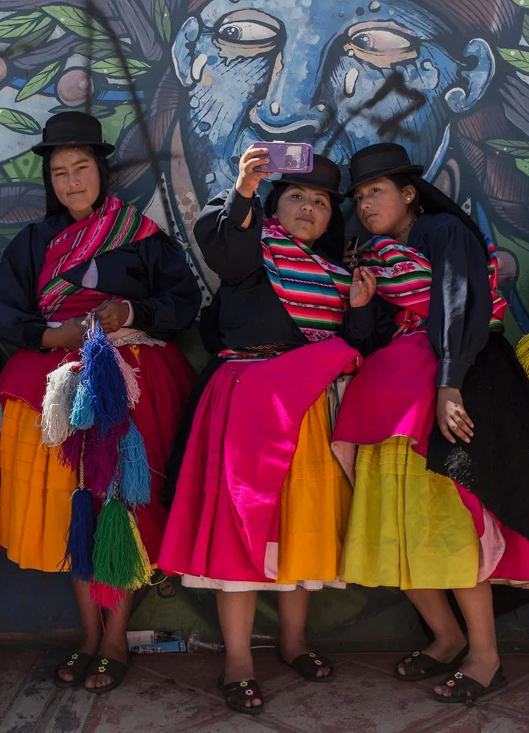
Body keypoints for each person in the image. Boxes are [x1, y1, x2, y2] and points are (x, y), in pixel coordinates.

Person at [333, 143, 529, 703]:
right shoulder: (377, 256)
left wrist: (449, 385)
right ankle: (445, 637)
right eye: (360, 196)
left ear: (410, 194)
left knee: (453, 523)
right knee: (403, 526)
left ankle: (486, 656)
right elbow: (367, 340)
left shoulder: (442, 232)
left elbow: (458, 304)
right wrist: (363, 305)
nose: (366, 204)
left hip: (456, 389)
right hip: (392, 408)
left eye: (377, 191)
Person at [0, 112, 200, 694]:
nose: (71, 181)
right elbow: (7, 312)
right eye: (59, 172)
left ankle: (115, 638)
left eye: (81, 168)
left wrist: (129, 314)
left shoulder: (143, 235)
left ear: (101, 172)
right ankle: (88, 633)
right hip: (56, 383)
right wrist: (59, 336)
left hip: (131, 381)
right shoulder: (33, 242)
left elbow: (182, 303)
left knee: (122, 506)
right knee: (75, 507)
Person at [159, 146, 360, 716]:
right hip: (244, 401)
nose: (308, 208)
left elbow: (355, 343)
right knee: (238, 530)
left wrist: (364, 307)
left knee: (301, 526)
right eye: (297, 196)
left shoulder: (335, 276)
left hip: (308, 412)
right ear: (276, 205)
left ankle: (295, 642)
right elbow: (224, 242)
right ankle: (239, 661)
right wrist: (244, 187)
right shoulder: (252, 251)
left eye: (320, 203)